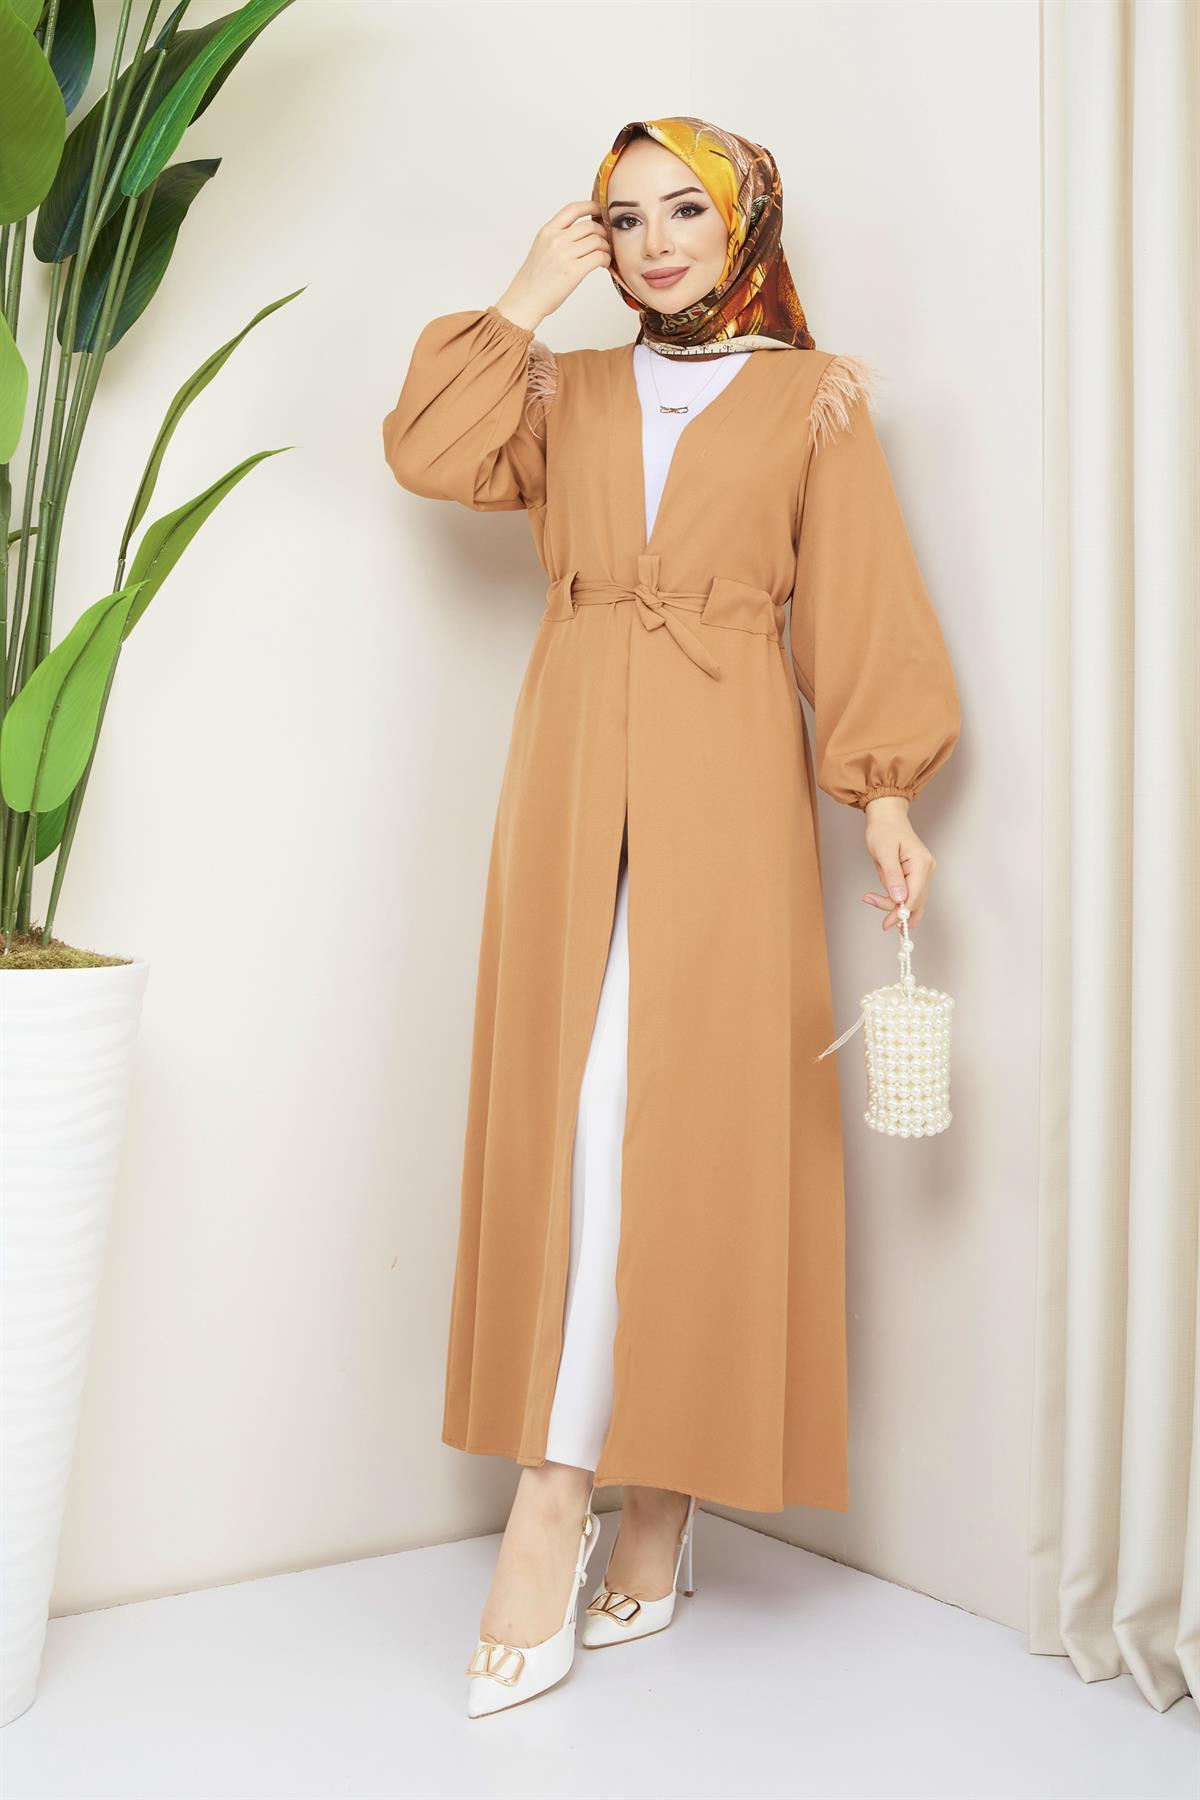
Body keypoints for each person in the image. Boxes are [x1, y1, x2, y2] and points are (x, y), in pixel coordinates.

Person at [381, 116, 962, 1716]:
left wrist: (886, 794)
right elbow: (427, 453)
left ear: (743, 221)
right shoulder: (557, 391)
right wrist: (521, 295)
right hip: (571, 771)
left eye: (683, 211)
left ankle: (613, 1495)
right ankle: (588, 1490)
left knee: (678, 1118)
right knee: (573, 1113)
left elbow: (860, 599)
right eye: (622, 218)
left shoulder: (813, 398)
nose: (652, 244)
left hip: (724, 777)